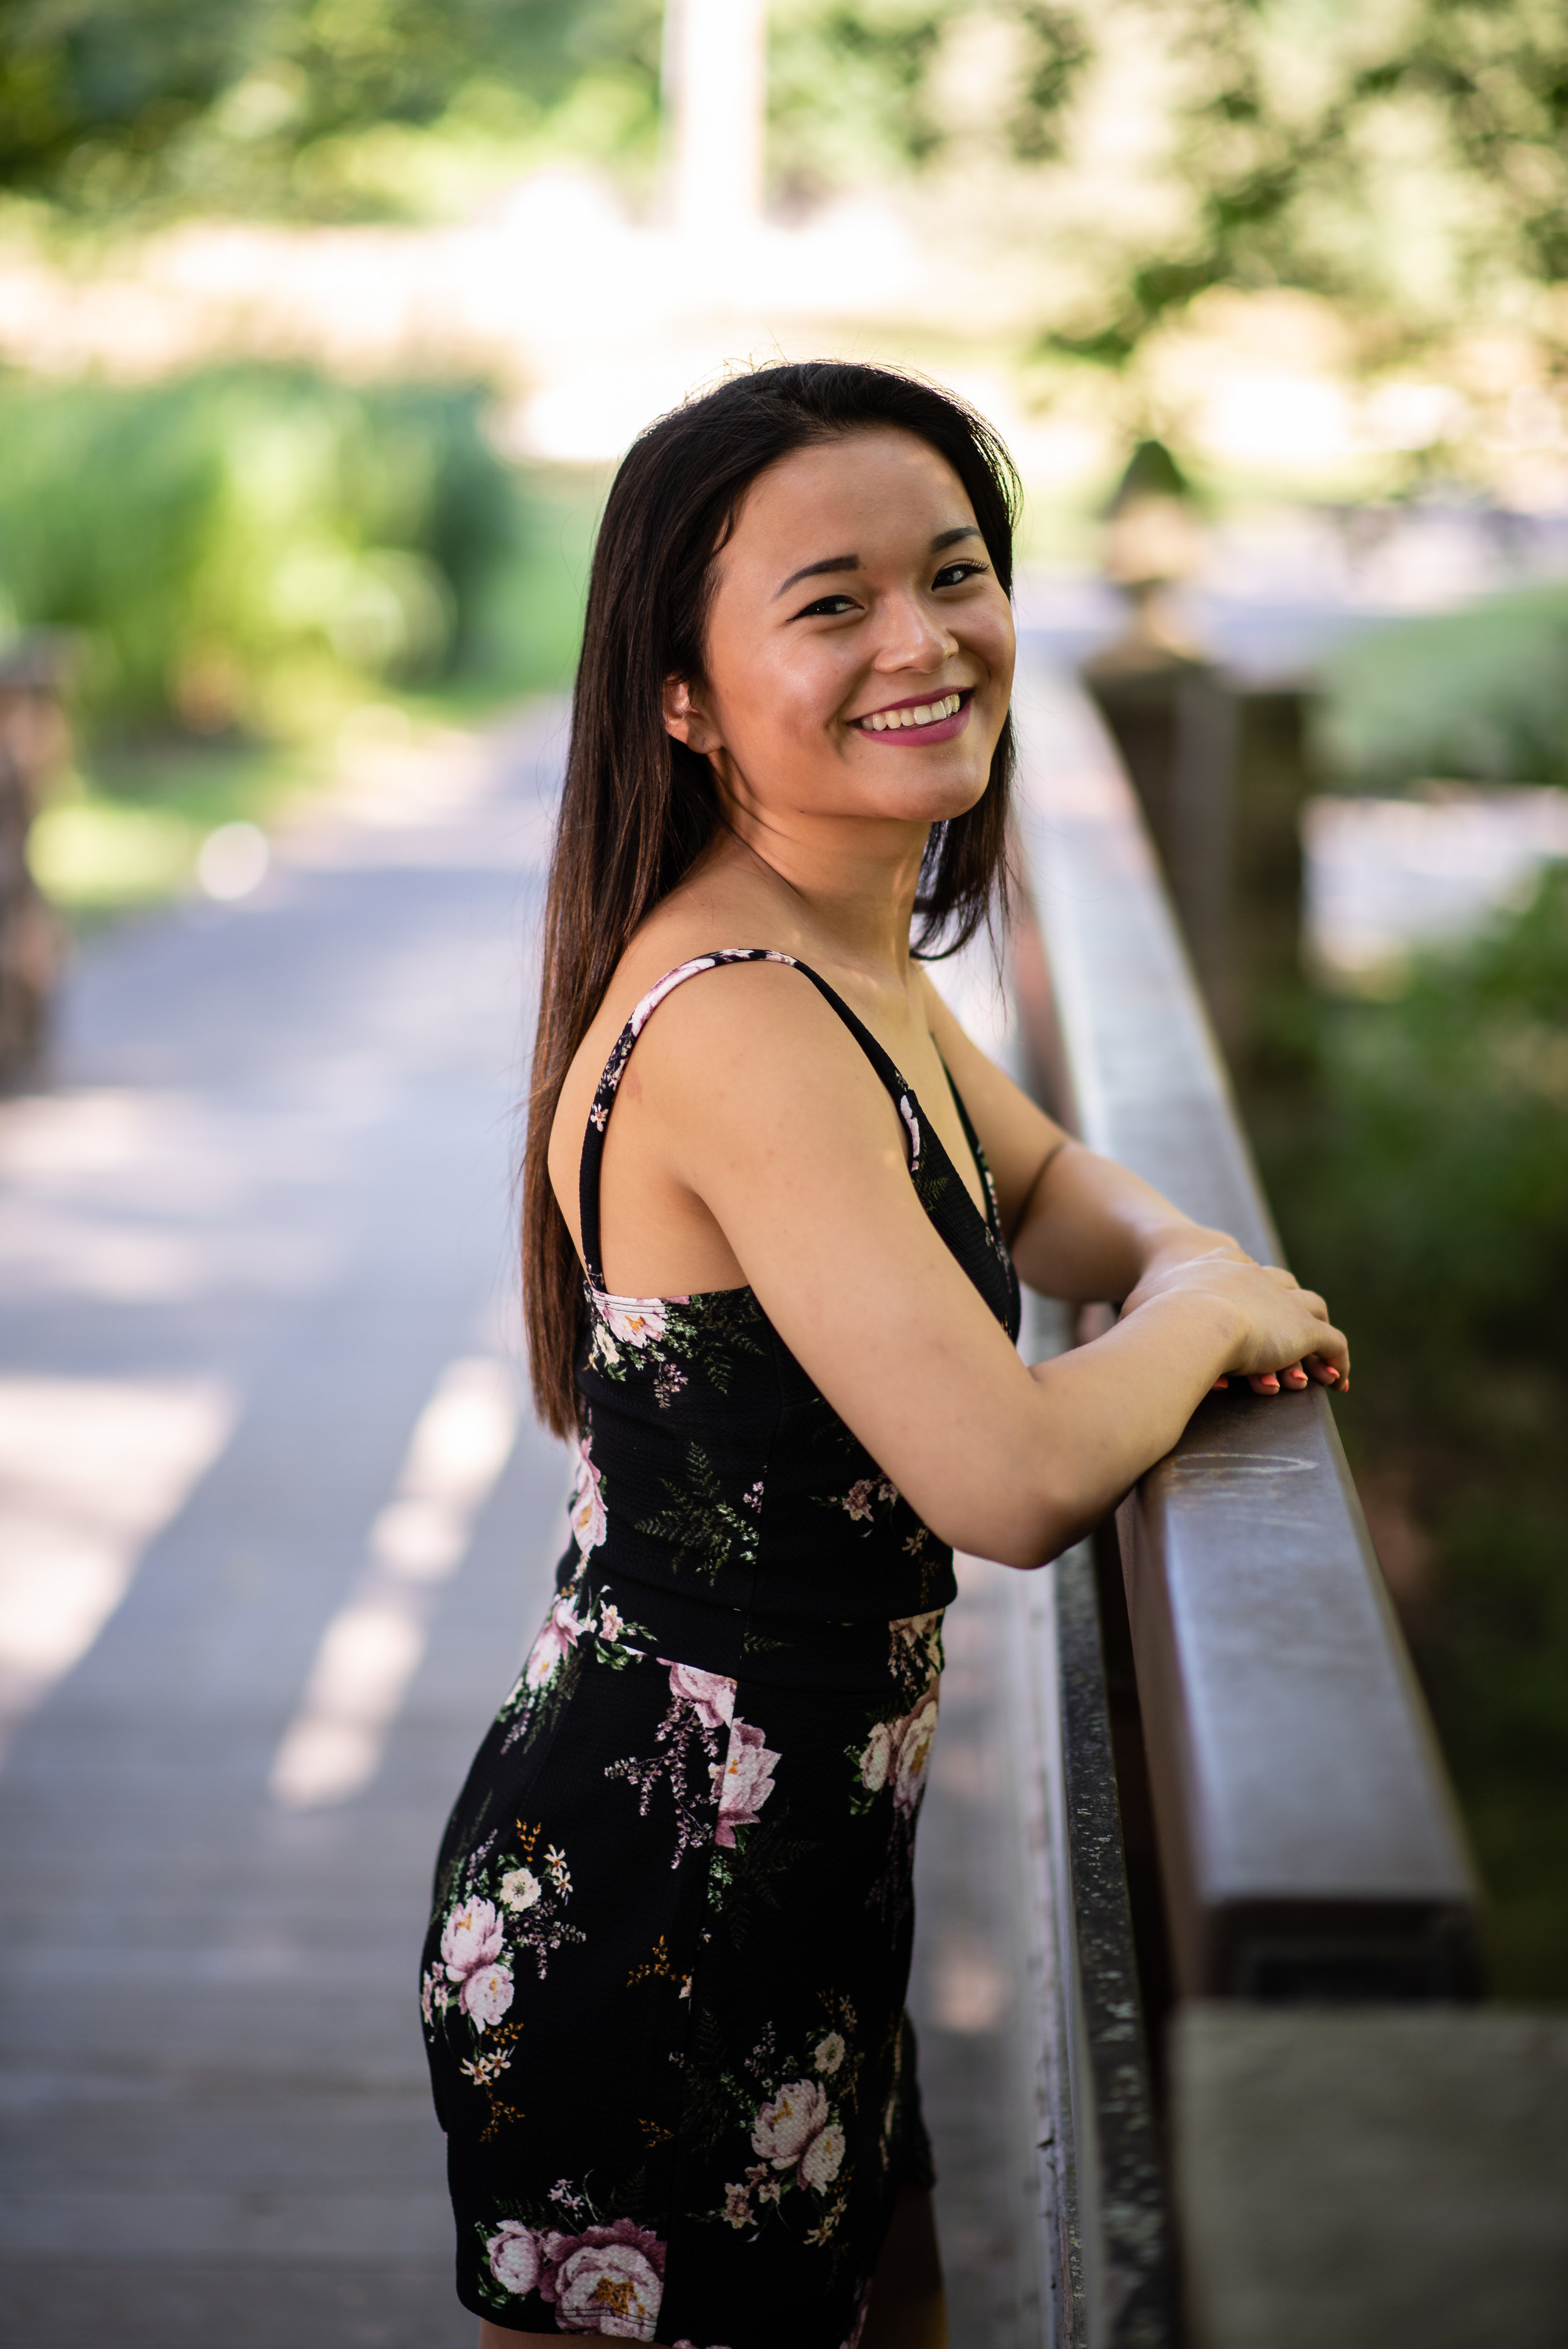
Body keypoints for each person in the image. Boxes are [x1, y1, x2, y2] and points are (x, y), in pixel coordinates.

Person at [419, 361, 1347, 2349]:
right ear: (679, 689)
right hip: (657, 1903)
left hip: (796, 1881)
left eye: (954, 574)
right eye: (829, 601)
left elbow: (1055, 1188)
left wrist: (1181, 1251)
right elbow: (1004, 1479)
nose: (922, 641)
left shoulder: (850, 960)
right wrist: (1203, 1316)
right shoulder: (743, 1012)